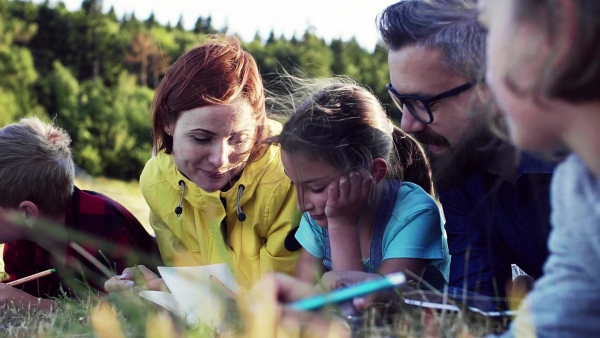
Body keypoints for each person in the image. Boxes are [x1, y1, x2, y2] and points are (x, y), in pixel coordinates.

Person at [377, 0, 555, 304]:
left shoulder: (580, 160)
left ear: (494, 84)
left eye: (423, 103)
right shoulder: (459, 172)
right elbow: (477, 303)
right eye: (400, 100)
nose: (407, 124)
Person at [106, 35, 301, 292]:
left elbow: (277, 296)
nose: (220, 159)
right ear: (168, 123)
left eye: (239, 139)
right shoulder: (156, 182)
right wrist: (155, 287)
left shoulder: (290, 176)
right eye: (201, 138)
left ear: (258, 128)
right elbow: (191, 283)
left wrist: (172, 289)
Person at [478, 0, 600, 336]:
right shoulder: (579, 185)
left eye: (489, 26)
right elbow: (556, 324)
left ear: (559, 23)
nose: (485, 77)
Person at [273, 78, 449, 292]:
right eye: (295, 184)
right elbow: (302, 299)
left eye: (316, 188)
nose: (302, 205)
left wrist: (341, 224)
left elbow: (366, 310)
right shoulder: (318, 217)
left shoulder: (415, 214)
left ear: (375, 172)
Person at [0, 117, 161, 310]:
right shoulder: (20, 242)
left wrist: (32, 304)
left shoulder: (105, 229)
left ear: (27, 214)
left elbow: (125, 307)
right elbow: (21, 287)